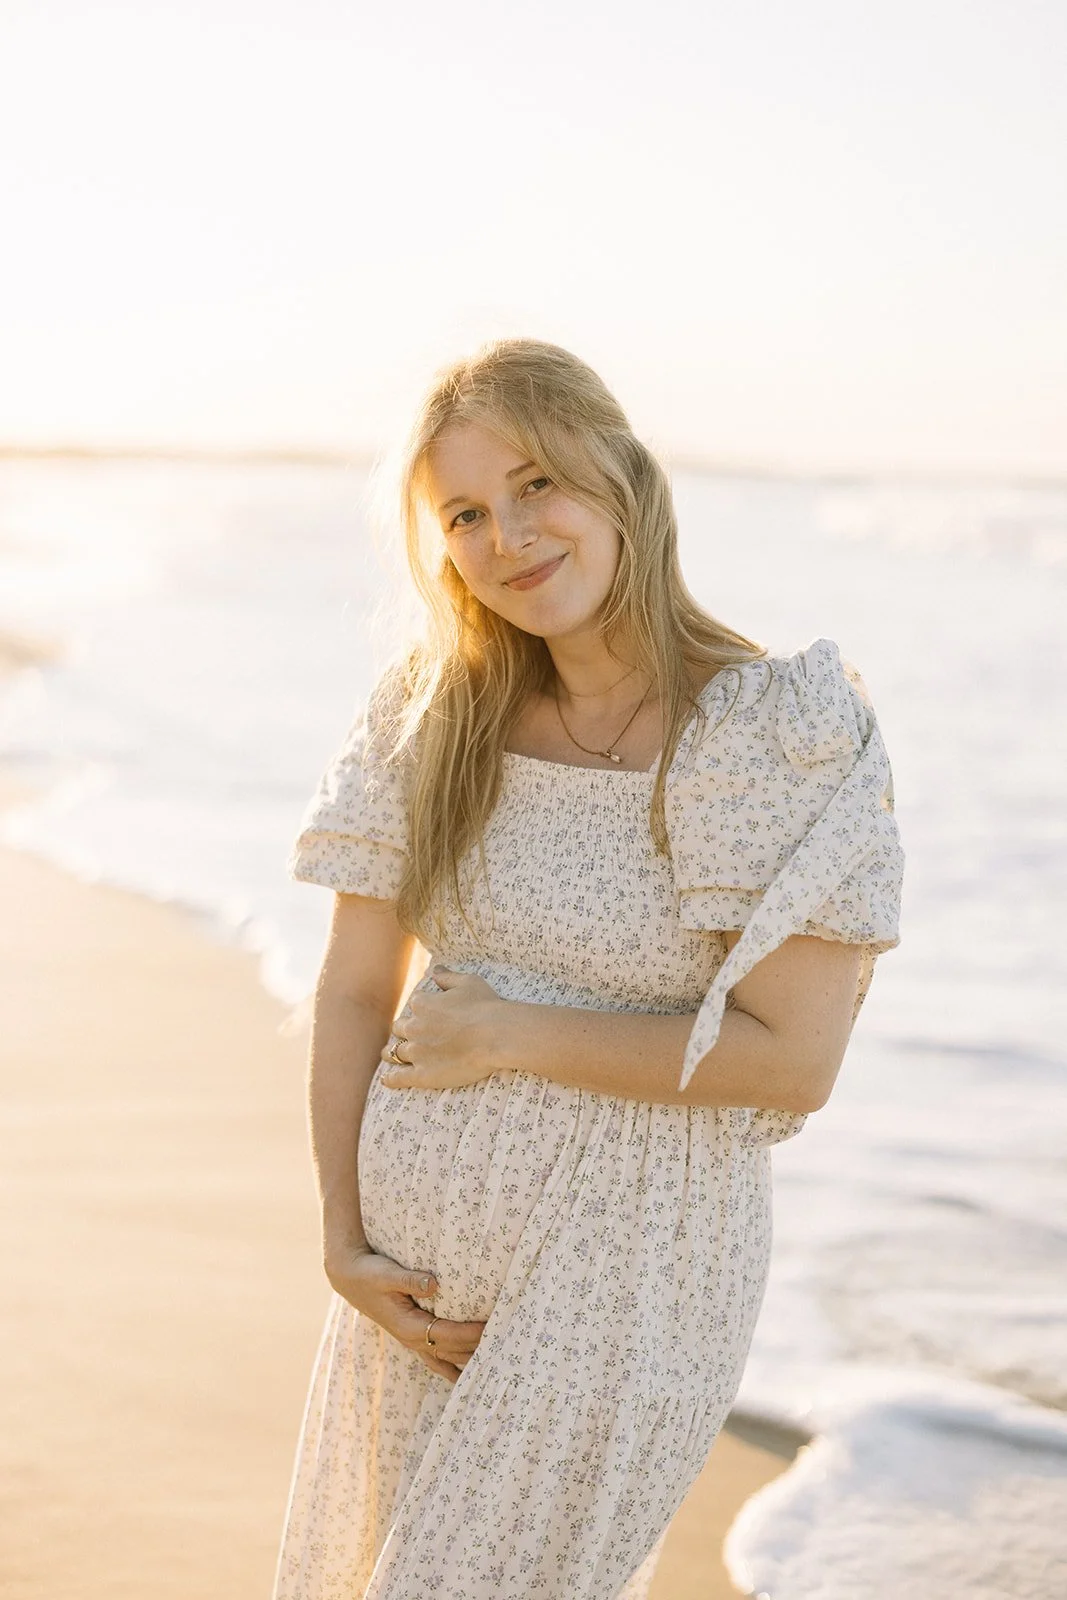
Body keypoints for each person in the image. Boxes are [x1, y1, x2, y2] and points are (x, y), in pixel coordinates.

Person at [272, 338, 904, 1600]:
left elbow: (795, 1057)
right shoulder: (429, 715)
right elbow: (352, 986)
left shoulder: (770, 729)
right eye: (463, 512)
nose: (505, 534)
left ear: (617, 473)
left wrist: (508, 1033)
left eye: (534, 486)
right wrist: (343, 1241)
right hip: (413, 1289)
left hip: (635, 1279)